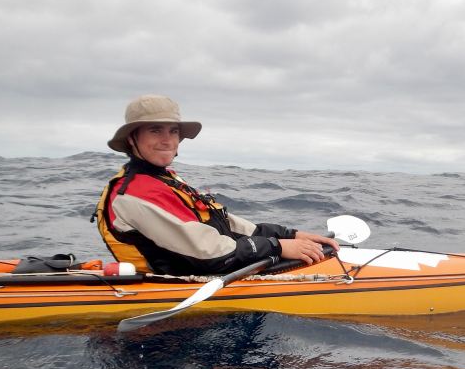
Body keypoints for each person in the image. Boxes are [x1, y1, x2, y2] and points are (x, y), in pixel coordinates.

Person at [94, 94, 338, 276]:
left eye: (174, 131)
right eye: (155, 130)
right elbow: (213, 255)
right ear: (132, 139)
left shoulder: (165, 180)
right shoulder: (133, 194)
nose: (168, 140)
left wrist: (289, 234)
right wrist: (277, 246)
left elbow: (225, 224)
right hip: (177, 293)